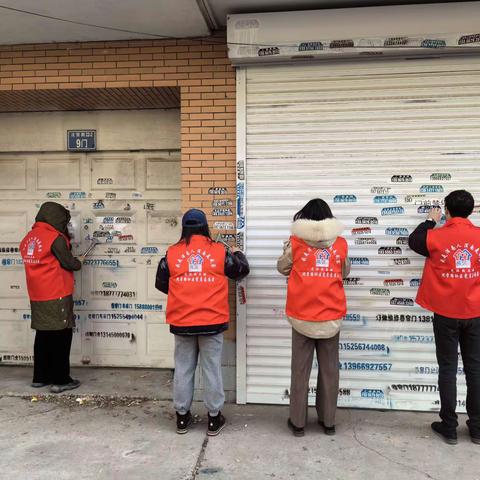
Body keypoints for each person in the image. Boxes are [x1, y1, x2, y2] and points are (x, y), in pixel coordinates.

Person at [156, 209, 249, 436]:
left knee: (184, 369)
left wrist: (185, 290)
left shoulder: (172, 253)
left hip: (182, 322)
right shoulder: (218, 251)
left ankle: (181, 418)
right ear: (205, 226)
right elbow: (240, 271)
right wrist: (238, 253)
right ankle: (214, 419)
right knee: (212, 370)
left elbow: (161, 284)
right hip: (212, 322)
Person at [409, 190, 480, 445]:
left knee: (448, 369)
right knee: (476, 369)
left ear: (447, 211)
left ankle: (449, 427)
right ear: (471, 211)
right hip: (476, 313)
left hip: (446, 314)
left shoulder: (435, 236)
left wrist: (430, 220)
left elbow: (413, 240)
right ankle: (477, 429)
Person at [277, 199, 350, 437]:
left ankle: (298, 423)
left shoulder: (295, 244)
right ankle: (328, 422)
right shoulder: (340, 244)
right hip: (331, 316)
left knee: (300, 371)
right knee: (330, 371)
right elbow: (345, 271)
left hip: (302, 316)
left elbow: (282, 268)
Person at [19, 202, 82, 393]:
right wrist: (78, 262)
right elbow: (69, 263)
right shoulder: (55, 238)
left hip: (37, 294)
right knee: (61, 335)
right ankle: (61, 379)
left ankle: (40, 376)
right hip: (57, 293)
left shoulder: (29, 237)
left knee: (43, 335)